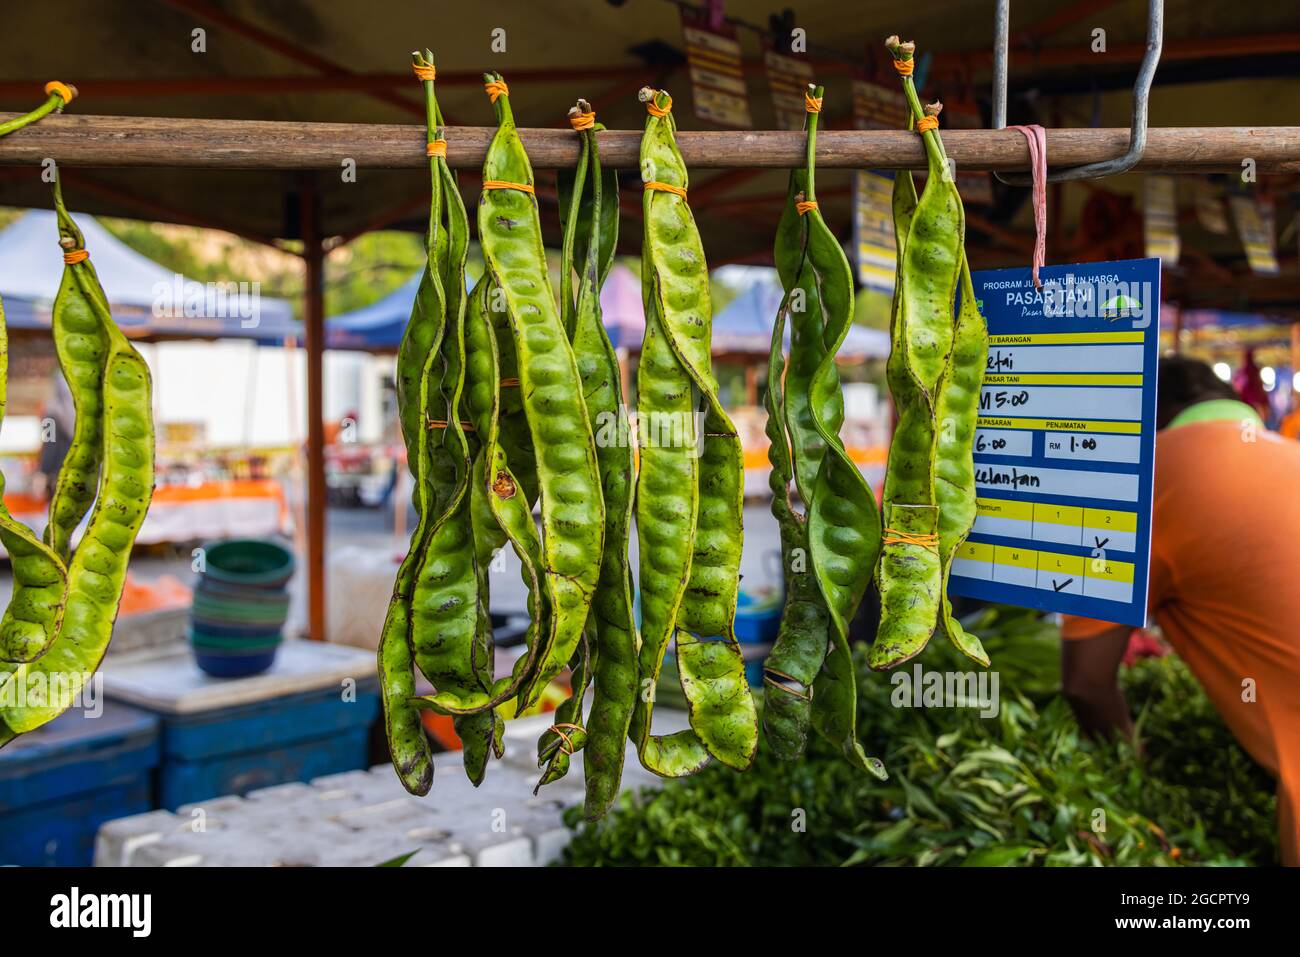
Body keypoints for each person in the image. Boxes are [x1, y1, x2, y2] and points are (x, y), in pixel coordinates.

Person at [1060, 356, 1300, 865]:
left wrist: (1134, 790)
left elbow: (1085, 682)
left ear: (1147, 415)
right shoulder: (1286, 453)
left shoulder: (1144, 473)